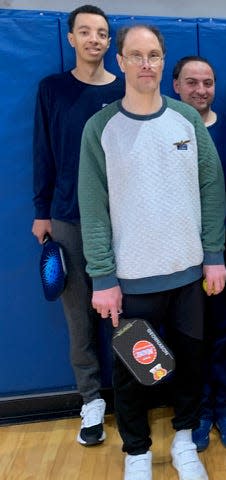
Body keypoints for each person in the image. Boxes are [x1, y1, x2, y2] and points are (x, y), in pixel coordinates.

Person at [78, 25, 226, 480]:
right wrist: (103, 277)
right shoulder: (101, 128)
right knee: (133, 374)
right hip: (131, 280)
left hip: (187, 277)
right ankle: (137, 453)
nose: (146, 64)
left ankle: (184, 440)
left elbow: (211, 187)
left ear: (164, 62)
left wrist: (214, 253)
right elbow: (93, 206)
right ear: (119, 61)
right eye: (136, 55)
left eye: (155, 55)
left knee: (189, 365)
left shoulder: (186, 119)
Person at [31, 4, 124, 447]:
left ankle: (129, 398)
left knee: (124, 313)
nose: (94, 39)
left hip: (122, 220)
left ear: (110, 42)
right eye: (85, 31)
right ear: (71, 38)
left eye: (102, 33)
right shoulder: (51, 90)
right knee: (79, 318)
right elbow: (42, 153)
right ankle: (91, 401)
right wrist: (41, 210)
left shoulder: (126, 91)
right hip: (67, 217)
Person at [172, 56, 226, 451]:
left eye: (208, 82)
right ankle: (198, 412)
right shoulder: (165, 127)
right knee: (190, 337)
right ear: (176, 86)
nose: (200, 89)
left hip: (225, 250)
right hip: (178, 253)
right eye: (192, 82)